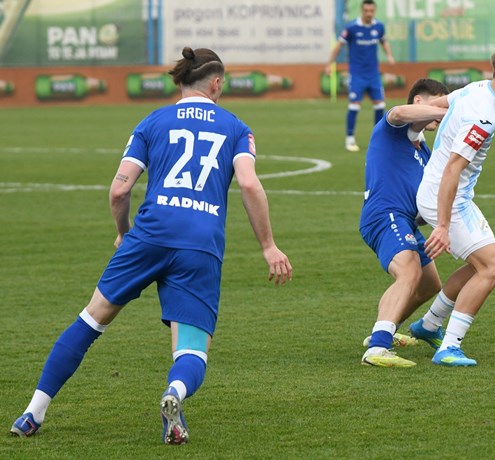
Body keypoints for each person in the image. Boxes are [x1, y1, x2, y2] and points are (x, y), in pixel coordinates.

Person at [9, 47, 292, 444]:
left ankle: (32, 412)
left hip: (151, 233)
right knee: (192, 348)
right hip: (200, 242)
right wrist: (268, 246)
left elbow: (119, 189)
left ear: (181, 82)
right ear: (215, 84)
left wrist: (125, 232)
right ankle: (173, 393)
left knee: (92, 319)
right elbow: (248, 183)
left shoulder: (152, 122)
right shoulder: (236, 127)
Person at [411, 44, 495, 367]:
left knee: (477, 265)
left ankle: (428, 326)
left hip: (445, 194)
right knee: (493, 268)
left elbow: (438, 105)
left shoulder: (476, 89)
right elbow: (452, 169)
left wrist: (408, 123)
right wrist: (442, 225)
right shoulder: (483, 118)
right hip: (448, 199)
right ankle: (448, 347)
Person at [359, 78, 450, 368]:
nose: (443, 110)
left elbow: (423, 202)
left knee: (429, 284)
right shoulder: (394, 129)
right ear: (419, 103)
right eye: (438, 103)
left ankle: (384, 328)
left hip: (406, 221)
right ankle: (377, 348)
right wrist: (444, 113)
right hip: (384, 214)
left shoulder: (423, 151)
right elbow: (398, 112)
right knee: (409, 271)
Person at [326, 0, 395, 152]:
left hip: (373, 74)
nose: (369, 14)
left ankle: (379, 138)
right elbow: (338, 46)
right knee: (354, 105)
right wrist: (329, 64)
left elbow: (384, 41)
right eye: (366, 11)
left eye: (371, 11)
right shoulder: (351, 28)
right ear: (361, 11)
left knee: (379, 104)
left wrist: (389, 55)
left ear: (374, 11)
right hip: (357, 75)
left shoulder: (378, 27)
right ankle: (350, 139)